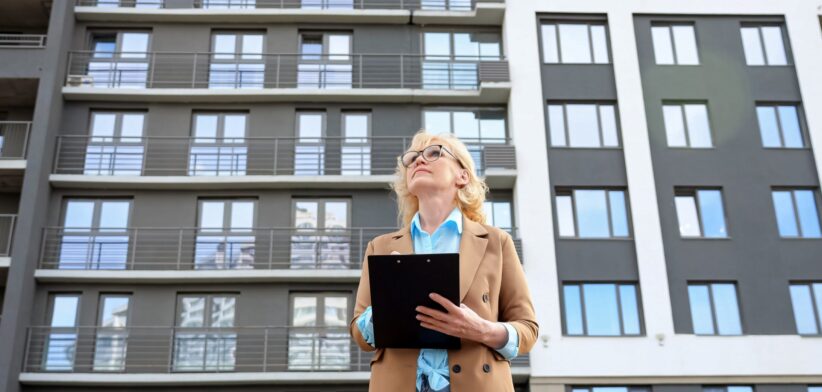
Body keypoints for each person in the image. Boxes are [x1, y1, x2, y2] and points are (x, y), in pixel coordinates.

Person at [349, 130, 538, 391]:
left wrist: (482, 330)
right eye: (412, 158)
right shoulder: (380, 247)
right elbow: (360, 335)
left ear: (462, 176)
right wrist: (388, 302)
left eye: (434, 153)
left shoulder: (497, 242)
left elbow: (528, 329)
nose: (418, 161)